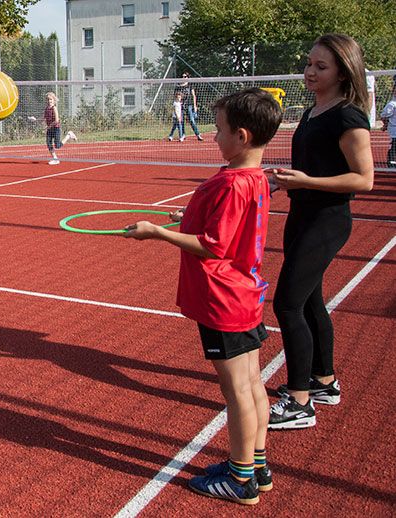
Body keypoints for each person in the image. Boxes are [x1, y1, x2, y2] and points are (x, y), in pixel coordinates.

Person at [125, 88, 283, 504]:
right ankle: (257, 464)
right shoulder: (255, 180)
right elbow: (228, 227)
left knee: (237, 393)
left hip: (223, 299)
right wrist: (188, 216)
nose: (215, 137)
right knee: (252, 384)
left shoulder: (233, 183)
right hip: (244, 294)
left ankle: (241, 478)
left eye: (220, 130)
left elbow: (214, 245)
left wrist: (158, 231)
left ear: (243, 136)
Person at [267, 34, 374, 429]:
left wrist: (306, 181)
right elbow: (314, 168)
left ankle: (299, 402)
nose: (310, 72)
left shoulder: (348, 116)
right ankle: (324, 382)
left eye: (321, 66)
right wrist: (282, 181)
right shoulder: (314, 111)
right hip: (302, 215)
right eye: (309, 64)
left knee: (287, 304)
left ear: (343, 71)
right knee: (310, 303)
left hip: (327, 221)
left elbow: (363, 180)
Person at [43, 92, 76, 165]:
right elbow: (44, 118)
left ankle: (69, 135)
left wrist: (49, 126)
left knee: (57, 145)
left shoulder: (54, 108)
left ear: (54, 100)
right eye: (48, 99)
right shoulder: (46, 109)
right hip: (50, 129)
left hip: (55, 128)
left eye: (51, 99)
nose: (49, 101)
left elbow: (57, 120)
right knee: (48, 143)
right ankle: (55, 159)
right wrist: (35, 119)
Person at [178, 72, 204, 140]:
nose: (183, 78)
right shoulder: (179, 86)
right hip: (181, 106)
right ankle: (183, 134)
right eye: (182, 76)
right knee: (181, 121)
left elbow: (193, 96)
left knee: (192, 120)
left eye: (185, 76)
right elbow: (176, 96)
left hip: (189, 105)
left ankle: (198, 134)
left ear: (187, 77)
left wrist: (195, 106)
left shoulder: (190, 85)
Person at [380, 81, 396, 166]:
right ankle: (391, 163)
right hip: (394, 130)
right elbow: (383, 116)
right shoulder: (392, 104)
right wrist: (385, 125)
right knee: (394, 146)